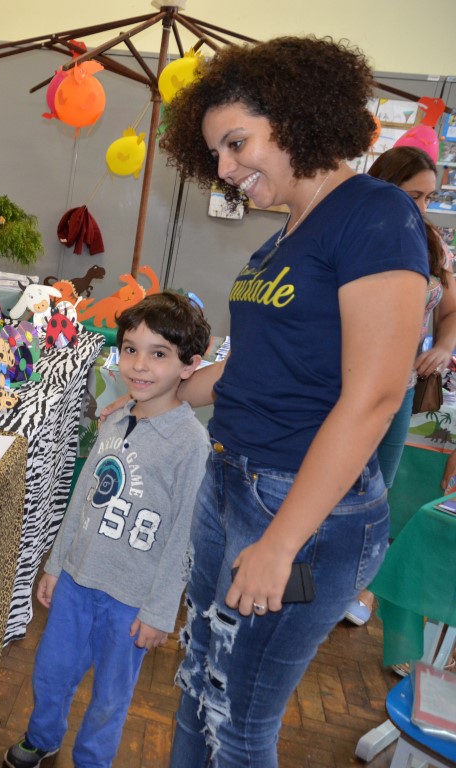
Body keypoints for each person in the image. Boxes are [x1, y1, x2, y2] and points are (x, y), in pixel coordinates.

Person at [146, 36, 429, 767]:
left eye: (236, 143)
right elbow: (253, 370)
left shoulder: (375, 213)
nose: (226, 168)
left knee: (239, 722)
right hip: (230, 481)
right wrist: (162, 390)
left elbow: (373, 398)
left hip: (302, 510)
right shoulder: (279, 242)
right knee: (195, 685)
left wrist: (280, 544)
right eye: (213, 153)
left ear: (298, 119)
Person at [4, 293, 211, 768]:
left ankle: (92, 760)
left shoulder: (190, 443)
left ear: (189, 365)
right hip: (77, 582)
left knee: (110, 698)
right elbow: (83, 497)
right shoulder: (115, 418)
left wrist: (161, 610)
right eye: (130, 349)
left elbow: (184, 535)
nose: (138, 365)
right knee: (51, 673)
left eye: (159, 354)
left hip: (131, 601)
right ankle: (42, 736)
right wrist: (55, 565)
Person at [346, 145, 456, 625]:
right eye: (415, 196)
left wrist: (443, 346)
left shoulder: (433, 244)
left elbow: (450, 311)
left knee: (379, 488)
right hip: (346, 385)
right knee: (336, 478)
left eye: (430, 197)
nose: (423, 208)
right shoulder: (352, 234)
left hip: (403, 386)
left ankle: (363, 588)